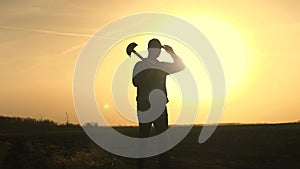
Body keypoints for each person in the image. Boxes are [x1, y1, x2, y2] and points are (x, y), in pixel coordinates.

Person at [132, 38, 185, 169]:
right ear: (150, 50)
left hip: (160, 108)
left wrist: (172, 53)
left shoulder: (161, 66)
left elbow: (180, 66)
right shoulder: (140, 65)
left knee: (163, 143)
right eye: (156, 49)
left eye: (160, 50)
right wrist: (147, 75)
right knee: (143, 141)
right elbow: (135, 82)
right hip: (145, 108)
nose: (158, 52)